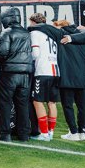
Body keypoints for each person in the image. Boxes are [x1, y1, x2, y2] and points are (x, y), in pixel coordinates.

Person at [0, 8, 33, 142]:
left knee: (5, 104)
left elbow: (2, 52)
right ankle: (24, 134)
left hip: (9, 72)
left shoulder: (7, 32)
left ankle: (5, 134)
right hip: (26, 74)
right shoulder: (27, 33)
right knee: (22, 104)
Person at [54, 20, 85, 141]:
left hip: (67, 75)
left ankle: (73, 132)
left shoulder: (60, 35)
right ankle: (82, 132)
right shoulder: (83, 36)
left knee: (68, 105)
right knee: (82, 106)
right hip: (82, 76)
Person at [27, 13, 61, 141]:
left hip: (42, 71)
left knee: (37, 101)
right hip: (55, 71)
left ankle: (44, 133)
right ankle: (51, 132)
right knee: (52, 103)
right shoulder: (52, 34)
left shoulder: (35, 33)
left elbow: (35, 54)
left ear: (33, 22)